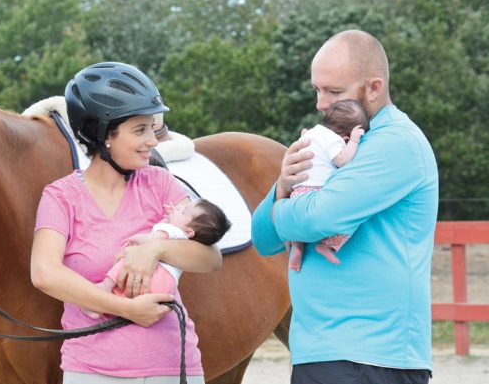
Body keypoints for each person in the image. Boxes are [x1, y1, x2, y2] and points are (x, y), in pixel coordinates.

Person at [251, 29, 438, 384]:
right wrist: (281, 187)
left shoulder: (396, 143)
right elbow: (262, 239)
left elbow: (316, 219)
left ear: (374, 88)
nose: (321, 103)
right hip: (320, 351)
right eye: (317, 89)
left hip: (374, 356)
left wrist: (285, 206)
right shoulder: (330, 142)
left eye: (334, 92)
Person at [31, 62, 222, 384]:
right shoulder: (60, 197)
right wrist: (127, 309)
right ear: (103, 134)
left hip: (172, 364)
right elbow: (44, 273)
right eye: (140, 130)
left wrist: (156, 248)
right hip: (91, 370)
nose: (153, 141)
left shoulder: (160, 183)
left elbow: (210, 258)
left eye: (152, 128)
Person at [82, 198, 231, 318]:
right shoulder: (187, 241)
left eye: (184, 211)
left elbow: (152, 239)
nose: (179, 207)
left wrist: (135, 240)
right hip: (166, 286)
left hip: (155, 274)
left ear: (189, 232)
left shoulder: (171, 231)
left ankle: (105, 287)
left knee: (129, 258)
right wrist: (172, 217)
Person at [288, 99, 368, 272]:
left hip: (297, 194)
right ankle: (327, 245)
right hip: (317, 193)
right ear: (344, 136)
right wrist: (354, 142)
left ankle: (298, 246)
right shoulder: (334, 140)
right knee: (350, 217)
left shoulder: (310, 133)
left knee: (300, 224)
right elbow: (342, 161)